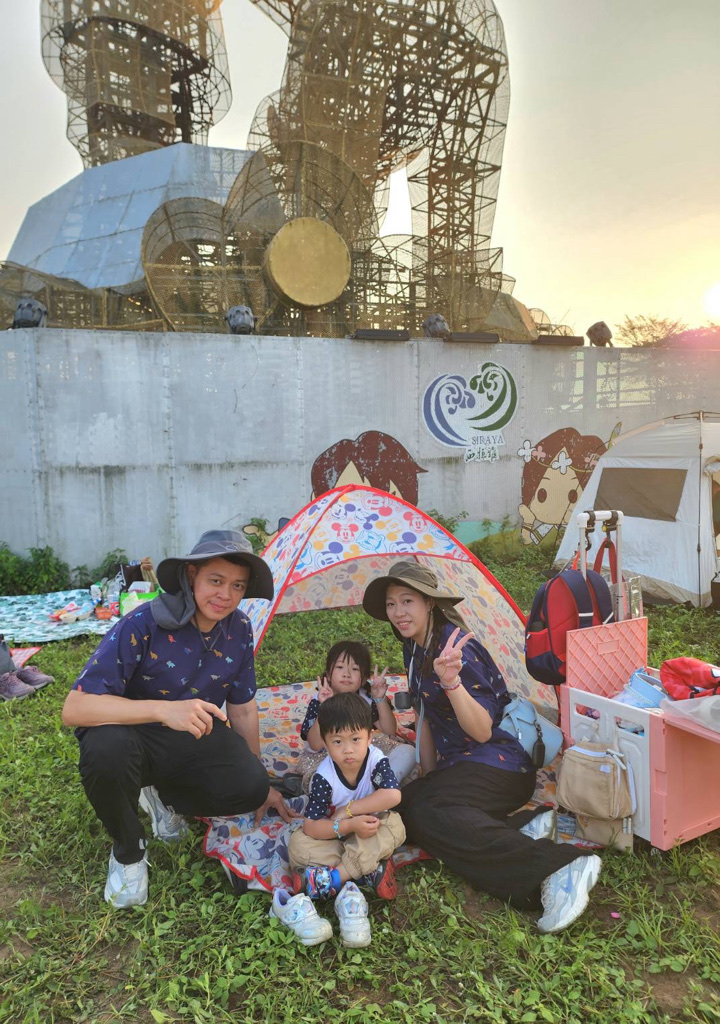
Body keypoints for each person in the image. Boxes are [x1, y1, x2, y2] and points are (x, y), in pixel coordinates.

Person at [362, 560, 602, 934]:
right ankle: (523, 827)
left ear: (429, 602)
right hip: (463, 766)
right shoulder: (414, 646)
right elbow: (425, 716)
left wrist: (452, 683)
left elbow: (483, 731)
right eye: (391, 604)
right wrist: (429, 777)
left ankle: (556, 867)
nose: (398, 612)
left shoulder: (457, 648)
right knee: (406, 806)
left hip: (502, 764)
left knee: (427, 813)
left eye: (407, 601)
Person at [62, 530, 296, 909]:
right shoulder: (143, 623)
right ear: (191, 576)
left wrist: (261, 780)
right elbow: (75, 708)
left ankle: (163, 798)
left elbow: (242, 707)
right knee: (105, 750)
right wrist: (161, 710)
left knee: (251, 784)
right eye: (215, 581)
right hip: (130, 737)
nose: (225, 595)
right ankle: (129, 852)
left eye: (237, 585)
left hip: (191, 736)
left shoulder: (238, 628)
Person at [284, 693, 406, 947]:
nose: (348, 749)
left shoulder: (375, 760)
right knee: (298, 844)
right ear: (326, 744)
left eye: (356, 739)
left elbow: (392, 795)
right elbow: (311, 826)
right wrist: (348, 825)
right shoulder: (323, 776)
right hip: (337, 835)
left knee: (395, 825)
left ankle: (333, 878)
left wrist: (350, 810)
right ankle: (369, 871)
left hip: (371, 829)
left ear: (370, 737)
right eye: (338, 741)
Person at [298, 640, 415, 789]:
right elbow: (315, 745)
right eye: (340, 667)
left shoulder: (366, 698)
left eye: (354, 669)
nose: (346, 674)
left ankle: (375, 789)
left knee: (408, 753)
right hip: (326, 757)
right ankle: (376, 790)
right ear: (328, 675)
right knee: (318, 782)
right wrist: (325, 708)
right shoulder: (319, 701)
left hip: (362, 753)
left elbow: (389, 730)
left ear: (364, 679)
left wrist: (379, 699)